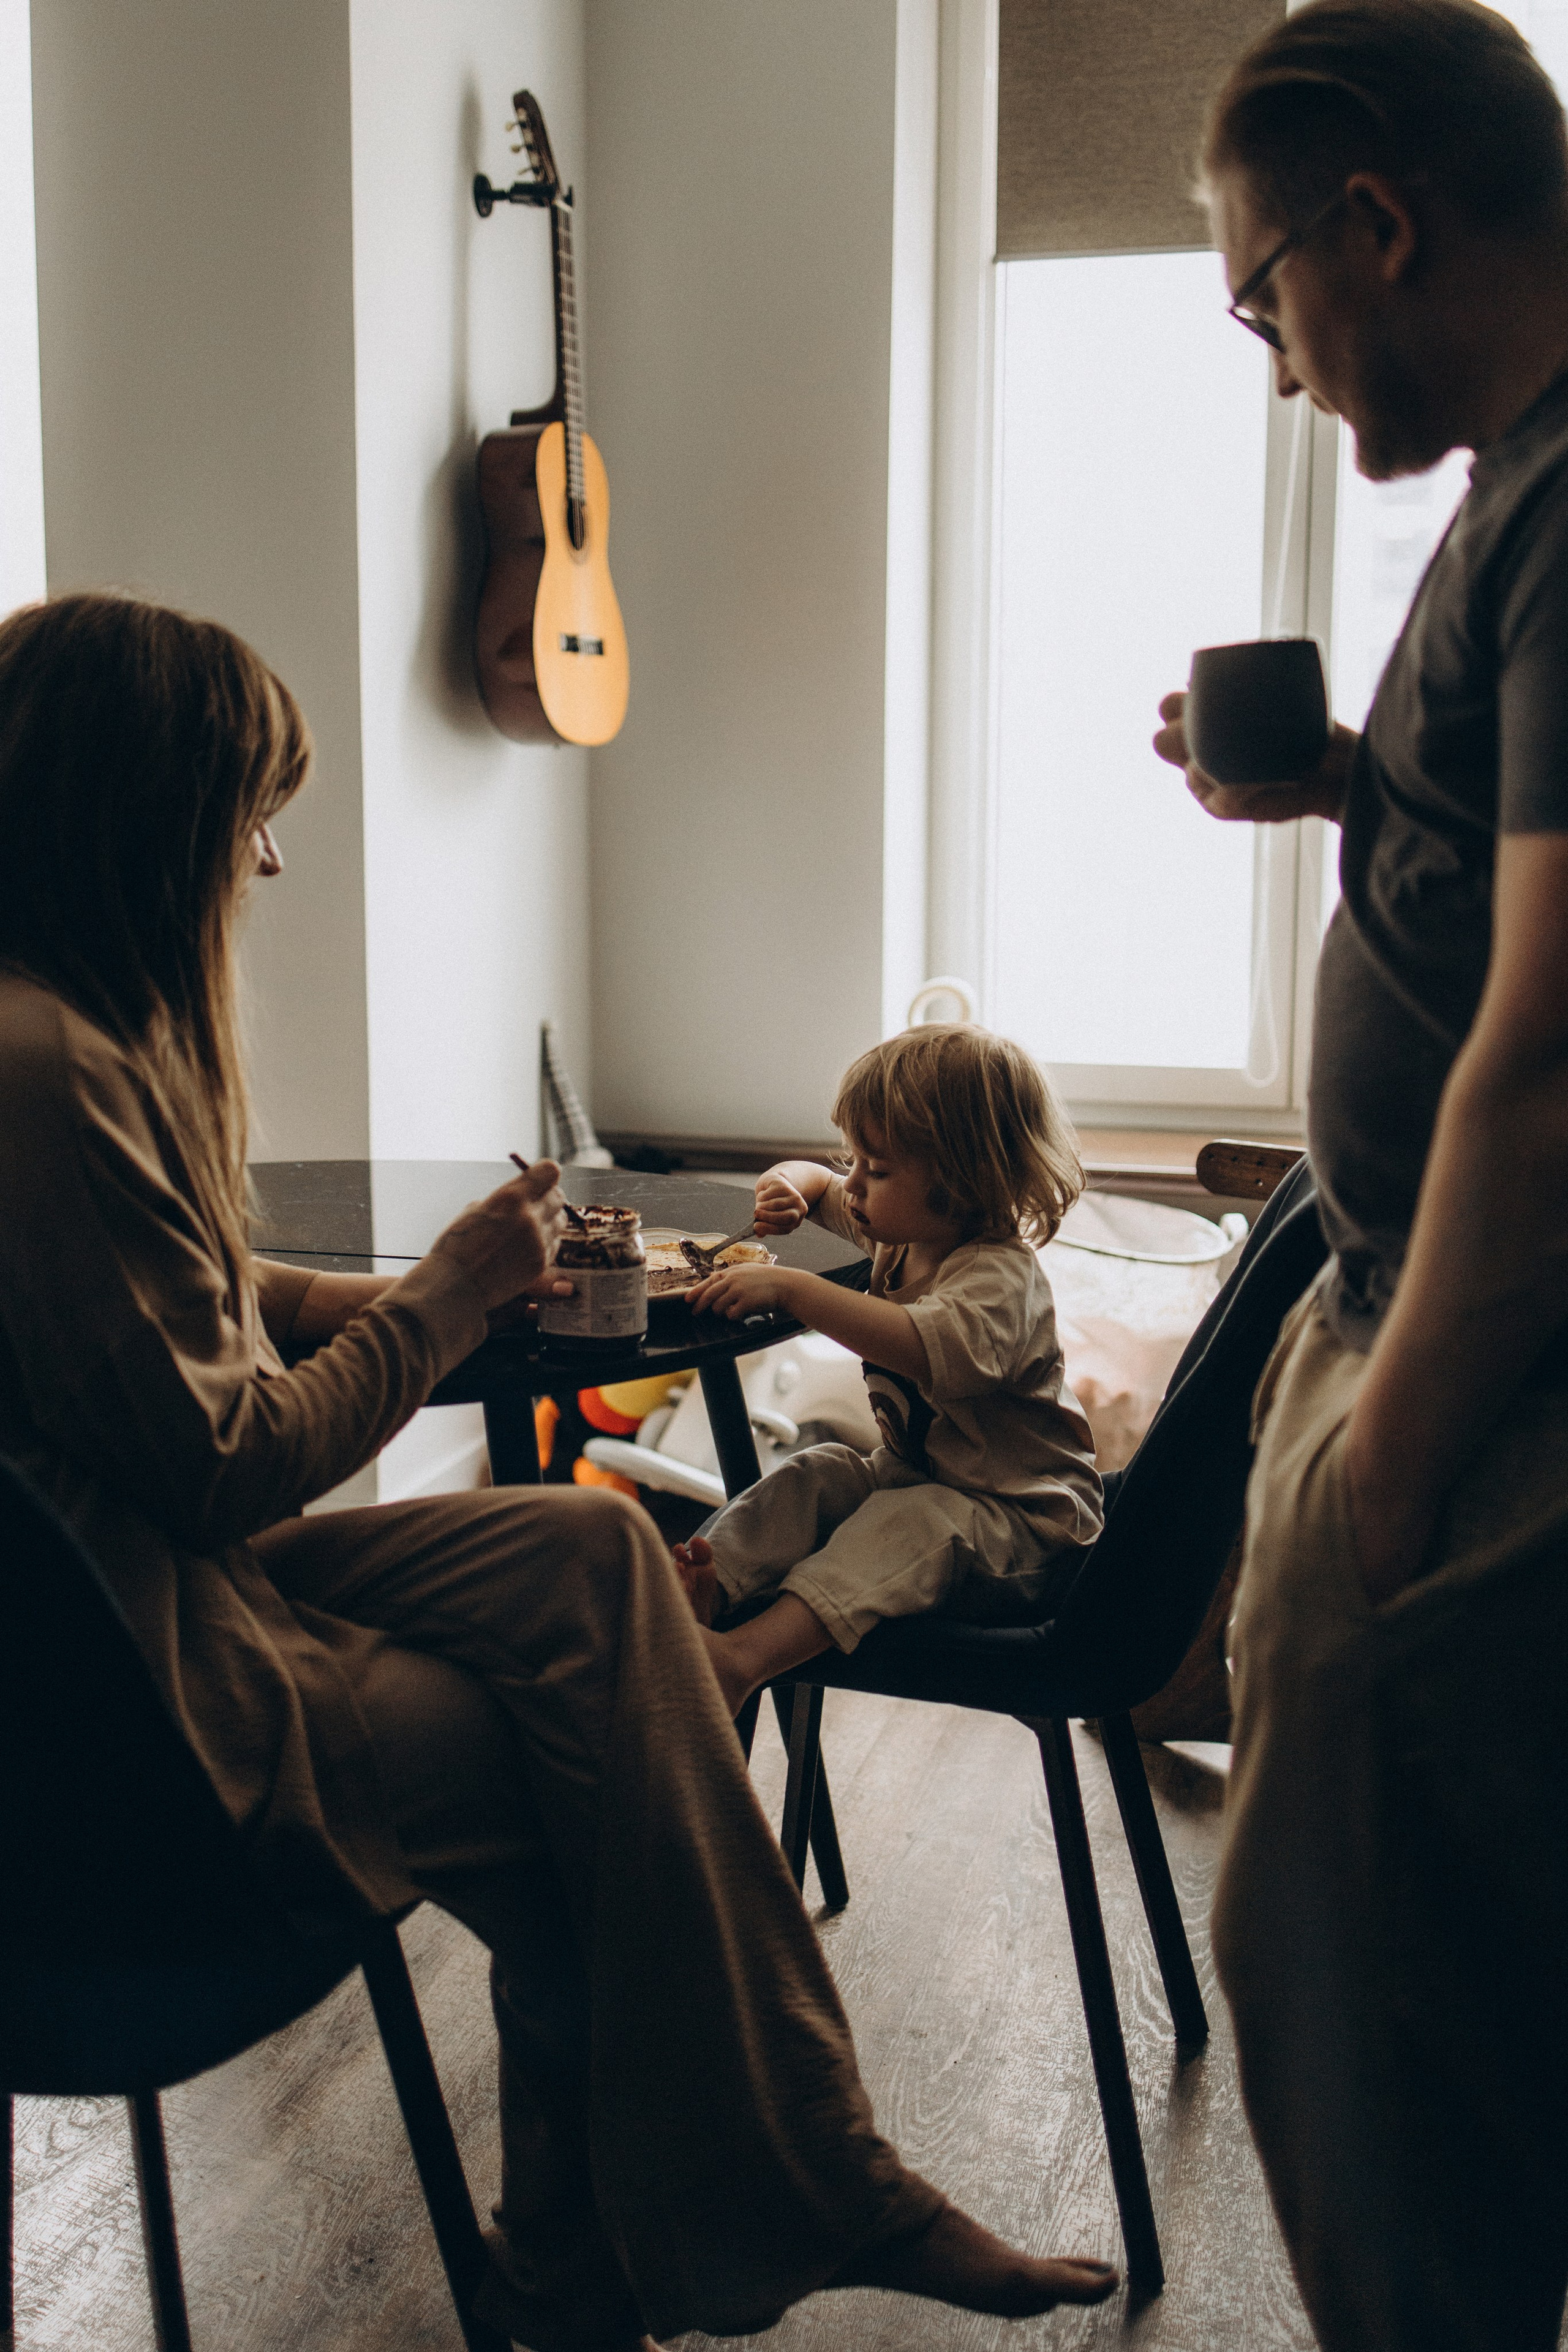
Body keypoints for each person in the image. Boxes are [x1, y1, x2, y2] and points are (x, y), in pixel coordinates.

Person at [0, 592, 1120, 2351]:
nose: (270, 866)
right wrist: (441, 1312)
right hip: (124, 1691)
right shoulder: (41, 1076)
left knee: (595, 1562)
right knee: (584, 1755)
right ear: (136, 813)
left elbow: (206, 1299)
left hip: (131, 1592)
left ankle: (631, 2245)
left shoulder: (55, 1041)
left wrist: (399, 1294)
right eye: (249, 815)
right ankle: (685, 2236)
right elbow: (231, 1466)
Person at [1153, 6, 1568, 2346]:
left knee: (1375, 2023)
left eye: (1253, 297)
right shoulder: (1514, 494)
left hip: (1472, 1390)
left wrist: (1385, 1460)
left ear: (1372, 224)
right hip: (1430, 1347)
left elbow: (1549, 1052)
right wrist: (1341, 790)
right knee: (1383, 1991)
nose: (1272, 358)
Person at [674, 1027, 1102, 1714]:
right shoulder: (904, 1228)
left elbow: (922, 1346)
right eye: (856, 1159)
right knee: (819, 1472)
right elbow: (819, 1187)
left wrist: (795, 1291)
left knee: (915, 1522)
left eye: (876, 1169)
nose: (854, 1186)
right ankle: (699, 1594)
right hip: (920, 1483)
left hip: (1024, 1530)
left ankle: (741, 1659)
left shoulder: (999, 1278)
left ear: (960, 1182)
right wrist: (787, 1182)